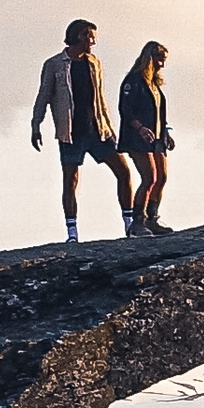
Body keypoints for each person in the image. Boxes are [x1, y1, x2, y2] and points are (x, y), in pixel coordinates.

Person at [29, 18, 136, 243]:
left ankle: (130, 224)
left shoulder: (94, 63)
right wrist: (36, 124)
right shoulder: (55, 64)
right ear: (79, 36)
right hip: (71, 132)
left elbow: (100, 98)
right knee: (71, 180)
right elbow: (44, 95)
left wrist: (109, 127)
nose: (93, 41)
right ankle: (72, 234)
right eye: (90, 36)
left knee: (123, 171)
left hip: (98, 130)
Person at [117, 41, 176, 234]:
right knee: (149, 177)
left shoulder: (154, 84)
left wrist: (165, 132)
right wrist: (140, 128)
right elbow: (125, 109)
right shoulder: (133, 81)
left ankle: (153, 218)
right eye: (159, 59)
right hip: (138, 138)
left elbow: (158, 112)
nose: (162, 64)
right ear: (149, 58)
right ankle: (138, 222)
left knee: (162, 177)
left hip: (157, 137)